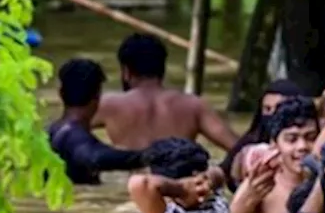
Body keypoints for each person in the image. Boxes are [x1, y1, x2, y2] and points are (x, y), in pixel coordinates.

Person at [93, 34, 239, 152]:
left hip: (131, 183)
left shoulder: (108, 105)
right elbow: (238, 148)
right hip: (180, 183)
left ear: (126, 72)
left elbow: (71, 131)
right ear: (162, 68)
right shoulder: (193, 105)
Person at [230, 97, 320, 213]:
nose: (302, 146)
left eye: (311, 138)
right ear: (274, 144)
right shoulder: (261, 184)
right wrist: (249, 197)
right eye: (291, 139)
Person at [47, 59, 145, 185]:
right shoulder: (74, 136)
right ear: (97, 96)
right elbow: (95, 157)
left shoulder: (51, 132)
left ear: (60, 93)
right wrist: (149, 155)